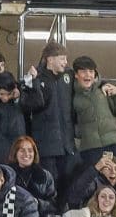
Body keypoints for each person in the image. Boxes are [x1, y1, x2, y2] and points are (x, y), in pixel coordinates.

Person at [19, 41, 76, 191]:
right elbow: (31, 105)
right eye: (62, 58)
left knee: (67, 182)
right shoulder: (36, 78)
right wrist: (34, 81)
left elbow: (89, 77)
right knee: (48, 182)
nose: (65, 62)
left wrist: (102, 84)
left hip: (67, 144)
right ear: (50, 59)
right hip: (46, 144)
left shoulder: (68, 76)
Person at [71, 56, 116, 166]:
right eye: (83, 71)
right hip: (90, 148)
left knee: (114, 176)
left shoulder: (102, 89)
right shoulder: (71, 94)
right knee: (94, 179)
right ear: (76, 74)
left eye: (91, 71)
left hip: (113, 143)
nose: (88, 75)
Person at [7, 134, 57, 217]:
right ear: (15, 153)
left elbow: (53, 204)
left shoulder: (45, 175)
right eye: (22, 150)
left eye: (30, 150)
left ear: (34, 153)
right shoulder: (7, 175)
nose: (26, 154)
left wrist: (37, 203)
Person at [0, 72, 27, 165]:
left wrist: (20, 94)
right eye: (1, 94)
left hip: (14, 151)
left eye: (8, 94)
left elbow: (38, 102)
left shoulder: (19, 102)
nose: (5, 97)